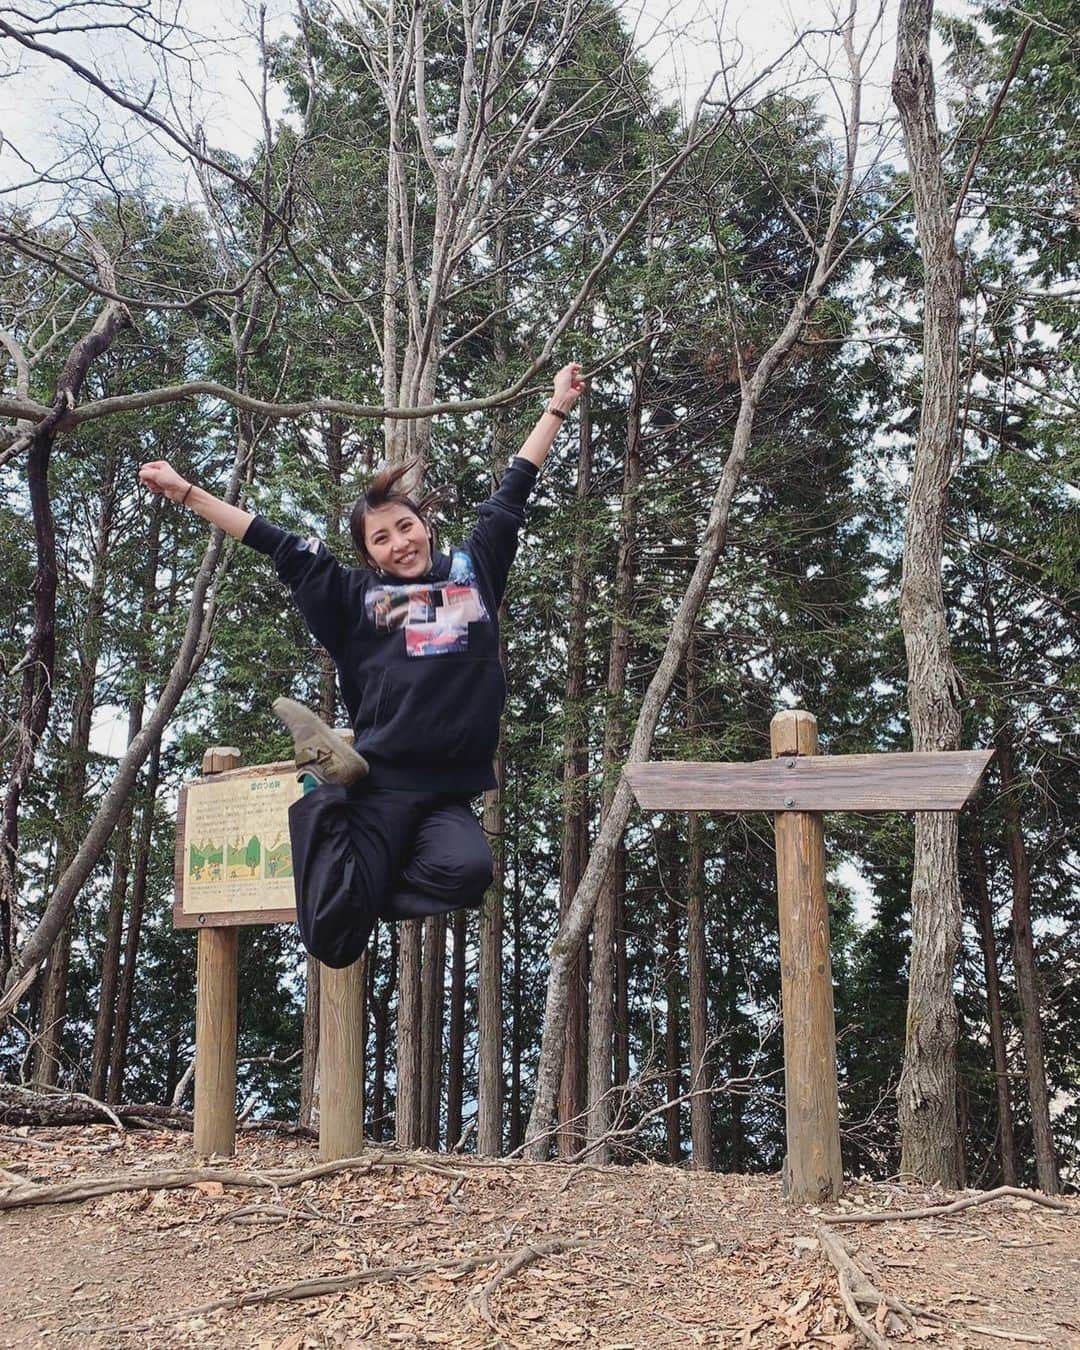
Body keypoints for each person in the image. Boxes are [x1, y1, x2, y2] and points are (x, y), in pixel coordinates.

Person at [139, 362, 584, 966]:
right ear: (369, 555)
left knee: (468, 871)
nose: (400, 542)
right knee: (332, 943)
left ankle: (358, 880)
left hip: (448, 791)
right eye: (382, 539)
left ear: (425, 525)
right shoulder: (357, 601)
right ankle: (322, 788)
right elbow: (277, 543)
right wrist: (188, 493)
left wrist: (555, 408)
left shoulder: (472, 574)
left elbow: (511, 494)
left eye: (406, 527)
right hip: (381, 784)